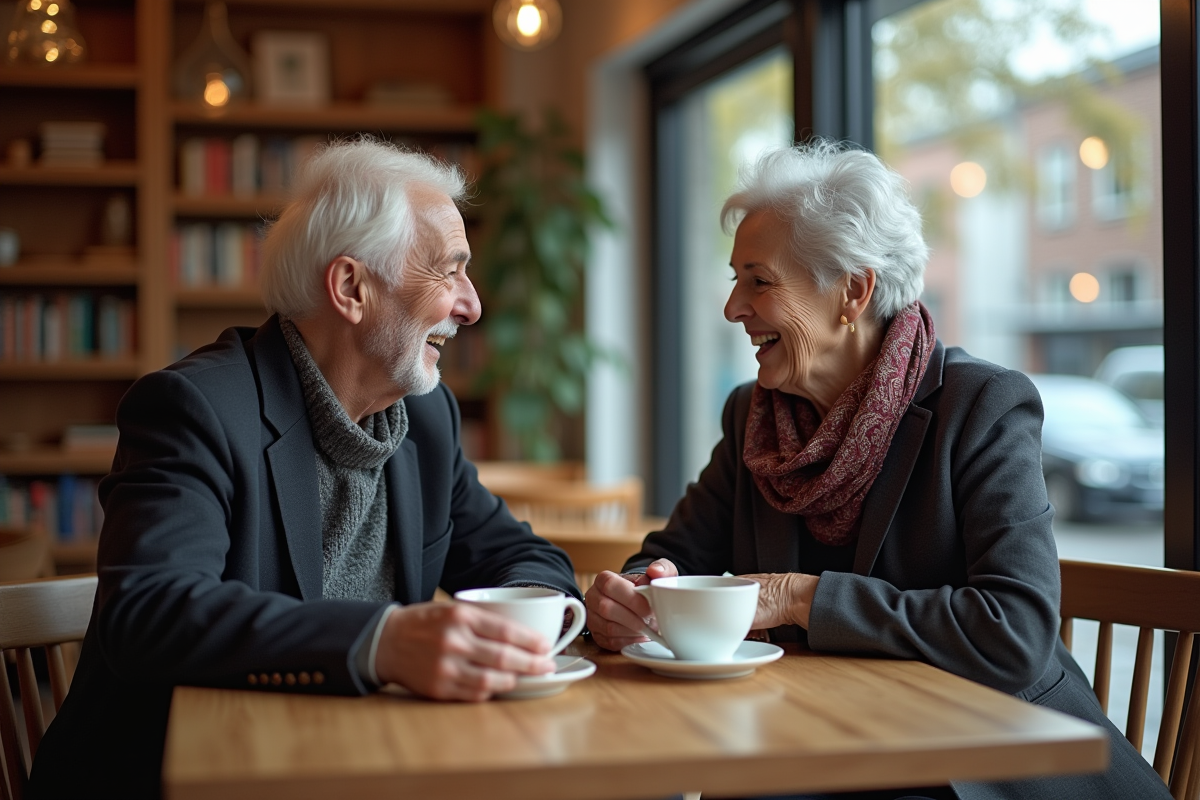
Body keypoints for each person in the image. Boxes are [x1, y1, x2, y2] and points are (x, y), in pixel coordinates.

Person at [584, 140, 1169, 800]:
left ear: (853, 291)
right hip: (814, 745)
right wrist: (630, 597)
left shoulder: (980, 406)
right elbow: (671, 557)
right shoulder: (752, 414)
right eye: (734, 281)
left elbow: (1015, 633)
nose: (733, 309)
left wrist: (801, 597)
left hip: (984, 764)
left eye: (760, 281)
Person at [30, 139, 580, 799]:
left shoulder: (425, 420)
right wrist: (383, 640)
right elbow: (151, 614)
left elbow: (519, 557)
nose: (471, 305)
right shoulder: (197, 407)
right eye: (448, 271)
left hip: (354, 767)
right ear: (351, 287)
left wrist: (536, 620)